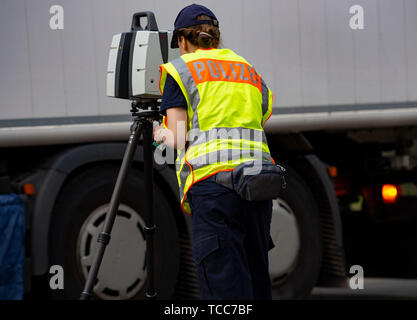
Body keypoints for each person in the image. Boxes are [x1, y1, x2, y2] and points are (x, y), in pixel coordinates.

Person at [153, 4, 275, 300]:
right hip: (258, 184)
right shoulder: (246, 68)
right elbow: (263, 112)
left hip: (214, 190)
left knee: (224, 287)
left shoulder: (181, 70)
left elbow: (180, 138)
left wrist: (159, 132)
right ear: (215, 37)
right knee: (255, 279)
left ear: (182, 40)